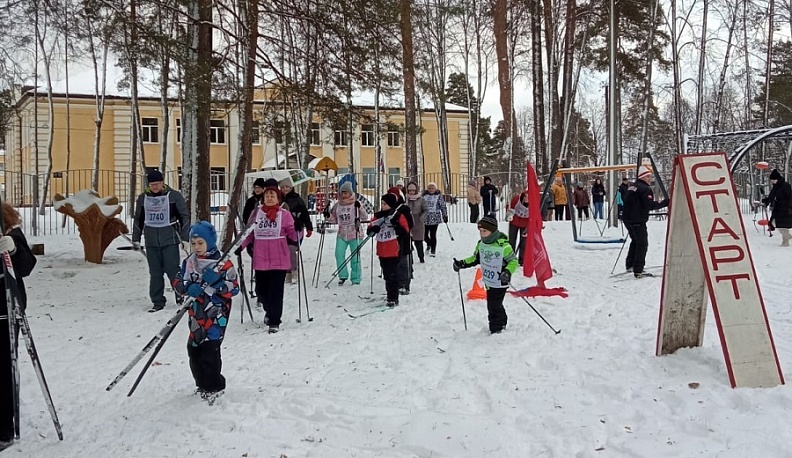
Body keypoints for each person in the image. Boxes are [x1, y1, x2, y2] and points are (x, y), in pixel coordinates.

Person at [173, 221, 238, 401]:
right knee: (194, 350)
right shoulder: (189, 262)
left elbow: (234, 288)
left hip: (216, 314)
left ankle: (214, 386)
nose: (197, 247)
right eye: (193, 243)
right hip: (195, 315)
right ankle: (201, 383)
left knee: (210, 350)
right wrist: (187, 287)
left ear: (209, 242)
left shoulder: (222, 264)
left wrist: (218, 283)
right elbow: (177, 281)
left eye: (200, 243)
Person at [236, 179, 298, 333]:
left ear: (278, 198)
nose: (269, 198)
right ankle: (269, 311)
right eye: (267, 195)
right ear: (263, 198)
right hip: (261, 258)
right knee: (261, 291)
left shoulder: (284, 214)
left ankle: (274, 320)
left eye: (273, 195)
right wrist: (241, 246)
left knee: (276, 291)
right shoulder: (256, 213)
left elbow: (294, 235)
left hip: (279, 258)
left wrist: (298, 229)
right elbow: (249, 234)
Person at [0, 203, 37, 449]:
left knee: (3, 369)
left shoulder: (9, 228)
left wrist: (12, 251)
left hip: (5, 308)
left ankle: (3, 428)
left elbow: (26, 266)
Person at [132, 169, 190, 313]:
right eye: (152, 185)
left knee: (173, 269)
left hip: (169, 239)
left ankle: (180, 292)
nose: (155, 187)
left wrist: (185, 237)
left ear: (162, 183)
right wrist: (136, 239)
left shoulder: (174, 196)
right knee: (155, 272)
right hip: (151, 240)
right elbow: (138, 219)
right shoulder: (143, 198)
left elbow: (184, 216)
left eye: (157, 184)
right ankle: (157, 301)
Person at [453, 215, 518, 334]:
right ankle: (502, 321)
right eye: (480, 231)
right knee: (495, 303)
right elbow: (475, 258)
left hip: (500, 281)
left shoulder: (503, 246)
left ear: (492, 231)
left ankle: (496, 329)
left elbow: (513, 261)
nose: (482, 234)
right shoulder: (481, 244)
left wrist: (507, 272)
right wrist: (461, 263)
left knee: (493, 305)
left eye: (485, 231)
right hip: (489, 280)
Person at [622, 166, 668, 278]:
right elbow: (649, 205)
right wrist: (664, 203)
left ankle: (630, 264)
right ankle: (638, 269)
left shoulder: (632, 186)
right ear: (642, 177)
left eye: (650, 176)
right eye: (648, 176)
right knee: (642, 243)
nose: (650, 178)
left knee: (635, 241)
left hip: (628, 218)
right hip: (637, 219)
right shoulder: (645, 189)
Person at [367, 194, 411, 307]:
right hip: (382, 250)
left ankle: (393, 297)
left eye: (385, 204)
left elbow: (405, 231)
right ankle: (389, 295)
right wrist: (373, 229)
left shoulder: (398, 216)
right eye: (381, 203)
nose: (382, 206)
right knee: (386, 274)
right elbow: (370, 231)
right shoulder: (377, 216)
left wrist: (395, 225)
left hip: (393, 250)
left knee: (392, 274)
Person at [326, 181, 368, 285]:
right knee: (339, 254)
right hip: (342, 233)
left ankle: (356, 278)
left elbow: (364, 217)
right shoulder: (337, 205)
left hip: (355, 233)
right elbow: (334, 219)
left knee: (355, 257)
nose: (343, 195)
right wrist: (327, 215)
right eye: (342, 193)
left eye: (346, 193)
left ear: (350, 193)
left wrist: (360, 208)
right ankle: (343, 275)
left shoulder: (356, 203)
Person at [280, 178, 313, 284]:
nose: (285, 189)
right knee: (284, 251)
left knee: (291, 249)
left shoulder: (297, 199)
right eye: (283, 187)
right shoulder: (278, 199)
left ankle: (294, 271)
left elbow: (305, 213)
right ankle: (287, 272)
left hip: (296, 229)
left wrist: (308, 227)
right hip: (282, 230)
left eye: (287, 187)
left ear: (291, 188)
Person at [762, 168, 792, 246]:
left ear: (777, 179)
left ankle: (785, 242)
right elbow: (772, 195)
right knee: (774, 223)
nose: (772, 182)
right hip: (778, 208)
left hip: (785, 209)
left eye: (773, 180)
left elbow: (790, 197)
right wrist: (767, 201)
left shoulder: (785, 186)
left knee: (783, 225)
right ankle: (787, 236)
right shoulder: (776, 186)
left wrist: (789, 207)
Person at [422, 182, 448, 257]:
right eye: (429, 188)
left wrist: (444, 215)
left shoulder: (438, 196)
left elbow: (442, 206)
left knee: (433, 234)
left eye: (432, 188)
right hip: (425, 218)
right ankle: (429, 243)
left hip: (434, 218)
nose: (431, 190)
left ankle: (433, 250)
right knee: (424, 235)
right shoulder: (424, 196)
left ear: (435, 189)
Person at [406, 182, 428, 263]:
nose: (411, 192)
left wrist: (421, 218)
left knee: (418, 242)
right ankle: (410, 259)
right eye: (410, 190)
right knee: (408, 242)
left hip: (418, 222)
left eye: (413, 190)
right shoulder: (406, 199)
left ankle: (421, 257)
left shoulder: (421, 199)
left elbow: (426, 210)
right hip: (408, 222)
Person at [506, 191, 530, 265]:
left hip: (525, 224)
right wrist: (509, 214)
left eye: (528, 197)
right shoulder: (517, 199)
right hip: (514, 222)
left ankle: (522, 260)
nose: (526, 198)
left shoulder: (533, 203)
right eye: (525, 196)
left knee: (523, 243)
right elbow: (509, 207)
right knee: (512, 241)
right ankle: (511, 258)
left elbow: (536, 214)